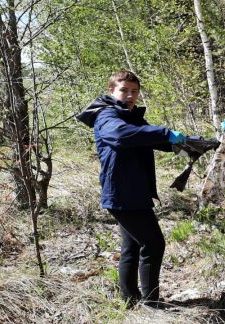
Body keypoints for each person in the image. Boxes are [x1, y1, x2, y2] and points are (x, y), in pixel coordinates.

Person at [76, 70, 186, 308]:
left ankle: (129, 300)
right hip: (122, 193)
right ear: (111, 91)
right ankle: (151, 304)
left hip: (135, 191)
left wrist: (187, 142)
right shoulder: (107, 116)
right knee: (154, 244)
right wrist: (167, 133)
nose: (129, 95)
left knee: (132, 246)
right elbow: (121, 136)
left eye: (134, 91)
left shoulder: (131, 116)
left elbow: (150, 139)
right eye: (124, 90)